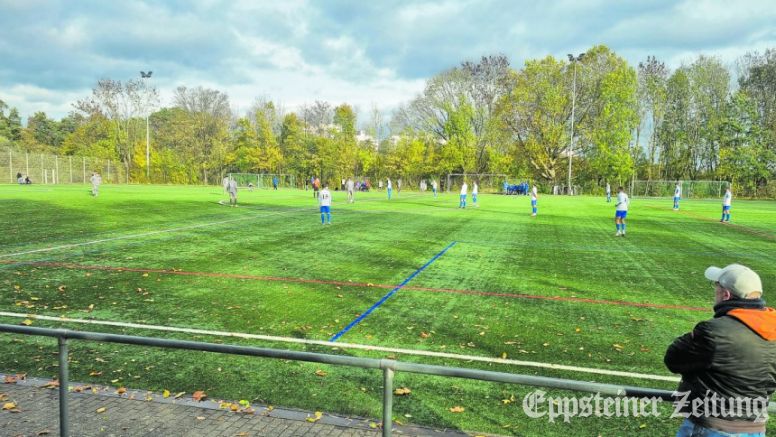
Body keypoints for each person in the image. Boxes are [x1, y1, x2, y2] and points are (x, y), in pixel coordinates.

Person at [665, 264, 776, 437]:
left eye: (716, 286)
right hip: (755, 428)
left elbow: (673, 359)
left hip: (712, 426)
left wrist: (695, 335)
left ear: (726, 295)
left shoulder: (713, 331)